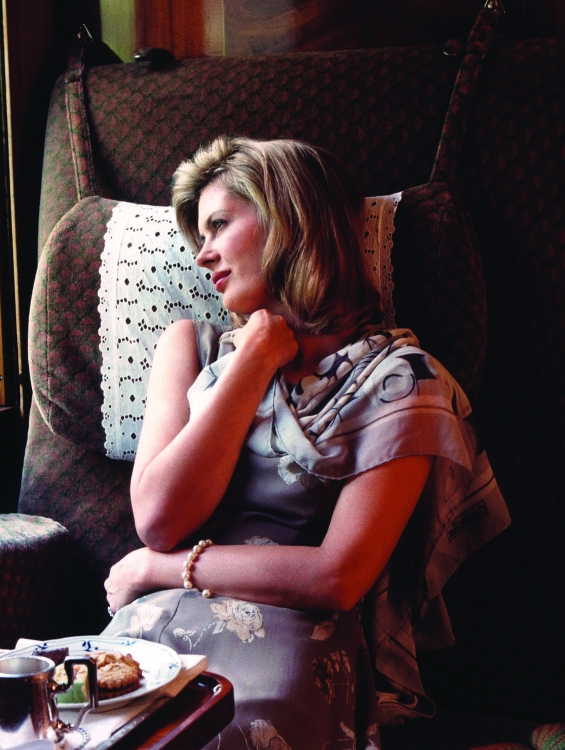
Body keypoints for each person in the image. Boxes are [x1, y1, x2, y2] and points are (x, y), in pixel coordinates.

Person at [101, 136, 508, 749]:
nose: (204, 255)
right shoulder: (190, 346)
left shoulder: (403, 381)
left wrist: (160, 569)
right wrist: (253, 362)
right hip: (147, 636)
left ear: (288, 220)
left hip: (289, 644)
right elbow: (158, 517)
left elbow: (338, 577)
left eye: (218, 225)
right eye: (198, 238)